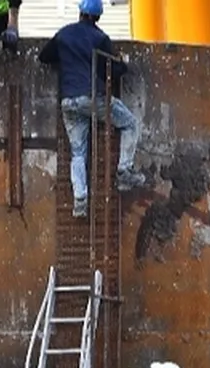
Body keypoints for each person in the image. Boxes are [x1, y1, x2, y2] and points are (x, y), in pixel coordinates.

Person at [38, 0, 144, 218]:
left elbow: (43, 57)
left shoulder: (64, 34)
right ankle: (124, 171)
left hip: (68, 101)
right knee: (130, 123)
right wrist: (123, 63)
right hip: (92, 97)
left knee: (78, 152)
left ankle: (80, 200)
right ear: (97, 17)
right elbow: (113, 71)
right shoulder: (100, 38)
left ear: (80, 12)